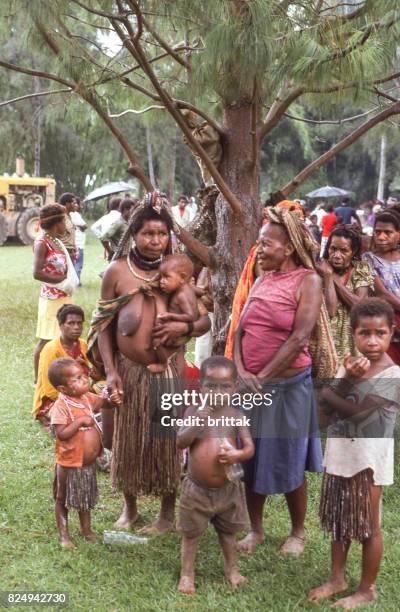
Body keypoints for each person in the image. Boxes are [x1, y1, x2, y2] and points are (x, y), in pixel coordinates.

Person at [88, 193, 211, 532]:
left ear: (170, 235)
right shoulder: (116, 272)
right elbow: (103, 326)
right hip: (128, 371)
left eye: (161, 233)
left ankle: (167, 514)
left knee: (166, 439)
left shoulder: (178, 272)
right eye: (148, 233)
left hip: (168, 370)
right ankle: (130, 509)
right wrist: (111, 372)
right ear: (134, 234)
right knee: (128, 437)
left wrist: (184, 325)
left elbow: (203, 323)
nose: (155, 240)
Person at [233, 207, 336, 556]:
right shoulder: (262, 278)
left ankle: (297, 533)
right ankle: (256, 529)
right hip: (253, 386)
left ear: (288, 248)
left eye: (266, 244)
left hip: (289, 388)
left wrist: (261, 377)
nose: (259, 250)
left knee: (292, 458)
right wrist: (241, 369)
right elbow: (241, 327)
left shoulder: (308, 280)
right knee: (251, 456)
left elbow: (299, 337)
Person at [308, 298, 400, 609]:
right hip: (339, 456)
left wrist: (335, 390)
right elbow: (323, 410)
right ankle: (337, 578)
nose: (372, 341)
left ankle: (366, 589)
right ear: (353, 332)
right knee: (339, 518)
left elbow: (359, 414)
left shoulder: (392, 375)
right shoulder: (347, 365)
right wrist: (343, 381)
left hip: (368, 463)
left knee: (367, 526)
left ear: (392, 332)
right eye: (365, 333)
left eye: (380, 333)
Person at [176, 356, 254, 595]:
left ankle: (232, 569)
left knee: (228, 533)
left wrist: (236, 455)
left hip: (227, 488)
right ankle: (187, 574)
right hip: (196, 488)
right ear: (201, 386)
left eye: (225, 386)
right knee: (191, 535)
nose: (217, 392)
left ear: (234, 387)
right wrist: (196, 423)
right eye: (211, 385)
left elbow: (250, 449)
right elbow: (180, 441)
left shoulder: (237, 416)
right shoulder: (193, 411)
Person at [49, 358, 116, 548]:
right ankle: (64, 535)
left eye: (83, 375)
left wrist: (113, 400)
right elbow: (61, 434)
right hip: (69, 463)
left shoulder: (86, 397)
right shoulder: (61, 407)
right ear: (63, 388)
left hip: (87, 464)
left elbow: (104, 403)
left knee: (84, 498)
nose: (85, 380)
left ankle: (86, 530)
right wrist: (79, 422)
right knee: (63, 499)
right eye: (77, 379)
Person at [33, 204, 75, 382]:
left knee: (61, 338)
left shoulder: (55, 240)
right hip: (52, 299)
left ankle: (59, 376)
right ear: (56, 223)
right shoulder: (42, 242)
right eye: (64, 220)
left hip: (63, 296)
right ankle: (38, 380)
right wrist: (62, 281)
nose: (67, 224)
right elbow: (37, 273)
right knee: (46, 340)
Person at [320, 226, 374, 361]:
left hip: (352, 346)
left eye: (344, 250)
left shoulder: (360, 269)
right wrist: (327, 277)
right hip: (325, 345)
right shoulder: (319, 272)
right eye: (333, 249)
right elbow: (330, 311)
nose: (337, 255)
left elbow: (359, 306)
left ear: (353, 251)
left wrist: (332, 278)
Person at [32, 304, 89, 423]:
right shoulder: (51, 349)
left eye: (79, 323)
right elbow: (49, 389)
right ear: (60, 325)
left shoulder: (83, 345)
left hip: (79, 392)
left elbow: (86, 375)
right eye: (71, 323)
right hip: (55, 398)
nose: (76, 327)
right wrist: (78, 398)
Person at [149, 254, 199, 373]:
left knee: (156, 341)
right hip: (179, 330)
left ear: (182, 277)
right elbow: (198, 291)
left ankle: (163, 363)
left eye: (166, 277)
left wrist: (170, 316)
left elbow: (191, 316)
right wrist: (200, 291)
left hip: (178, 334)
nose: (162, 281)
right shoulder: (187, 287)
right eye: (160, 277)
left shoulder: (182, 295)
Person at [362, 210, 400, 364]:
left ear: (398, 235)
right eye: (377, 232)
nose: (381, 237)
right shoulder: (368, 259)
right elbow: (383, 294)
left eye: (388, 232)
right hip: (388, 321)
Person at [70, 197, 87, 286]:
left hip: (74, 242)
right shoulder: (75, 214)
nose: (81, 206)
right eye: (80, 204)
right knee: (78, 264)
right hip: (78, 243)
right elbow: (84, 226)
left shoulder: (73, 214)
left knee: (73, 264)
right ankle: (77, 282)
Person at [58, 193, 77, 260]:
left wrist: (75, 248)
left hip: (71, 253)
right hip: (63, 253)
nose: (76, 205)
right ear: (67, 204)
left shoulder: (69, 217)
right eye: (74, 203)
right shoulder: (60, 218)